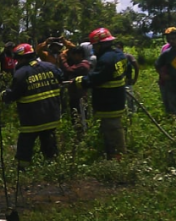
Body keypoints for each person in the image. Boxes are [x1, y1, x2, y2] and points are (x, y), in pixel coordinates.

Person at [0, 43, 63, 167]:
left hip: (32, 119)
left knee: (25, 146)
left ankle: (22, 171)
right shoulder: (50, 67)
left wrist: (3, 96)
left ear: (22, 58)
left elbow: (13, 95)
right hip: (51, 115)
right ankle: (54, 169)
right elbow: (62, 78)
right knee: (49, 144)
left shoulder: (21, 74)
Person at [71, 28, 127, 159]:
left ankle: (117, 158)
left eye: (95, 46)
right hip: (117, 98)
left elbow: (97, 78)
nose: (93, 49)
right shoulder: (119, 54)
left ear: (101, 45)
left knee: (112, 129)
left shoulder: (106, 59)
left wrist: (80, 81)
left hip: (108, 100)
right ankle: (113, 155)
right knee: (112, 128)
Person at [60, 45, 91, 124]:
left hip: (80, 96)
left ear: (80, 55)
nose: (72, 57)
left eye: (74, 55)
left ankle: (83, 133)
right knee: (75, 117)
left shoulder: (83, 65)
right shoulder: (78, 64)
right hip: (74, 95)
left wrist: (63, 60)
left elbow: (69, 70)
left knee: (82, 116)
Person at [117, 42, 140, 112]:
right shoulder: (114, 58)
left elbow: (136, 67)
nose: (117, 50)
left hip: (127, 82)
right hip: (118, 83)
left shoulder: (128, 56)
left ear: (122, 48)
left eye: (119, 48)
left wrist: (135, 79)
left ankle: (132, 114)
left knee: (130, 100)